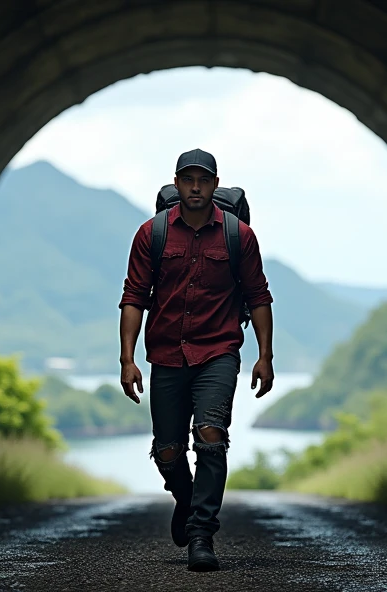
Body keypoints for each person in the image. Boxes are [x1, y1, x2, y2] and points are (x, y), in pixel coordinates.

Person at [118, 148, 275, 572]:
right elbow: (133, 297)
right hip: (166, 354)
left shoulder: (238, 236)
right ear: (176, 182)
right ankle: (187, 502)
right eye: (187, 179)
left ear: (214, 184)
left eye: (203, 180)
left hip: (218, 351)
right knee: (168, 451)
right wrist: (127, 359)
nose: (194, 187)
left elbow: (259, 296)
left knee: (210, 435)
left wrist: (265, 355)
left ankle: (201, 535)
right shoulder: (151, 234)